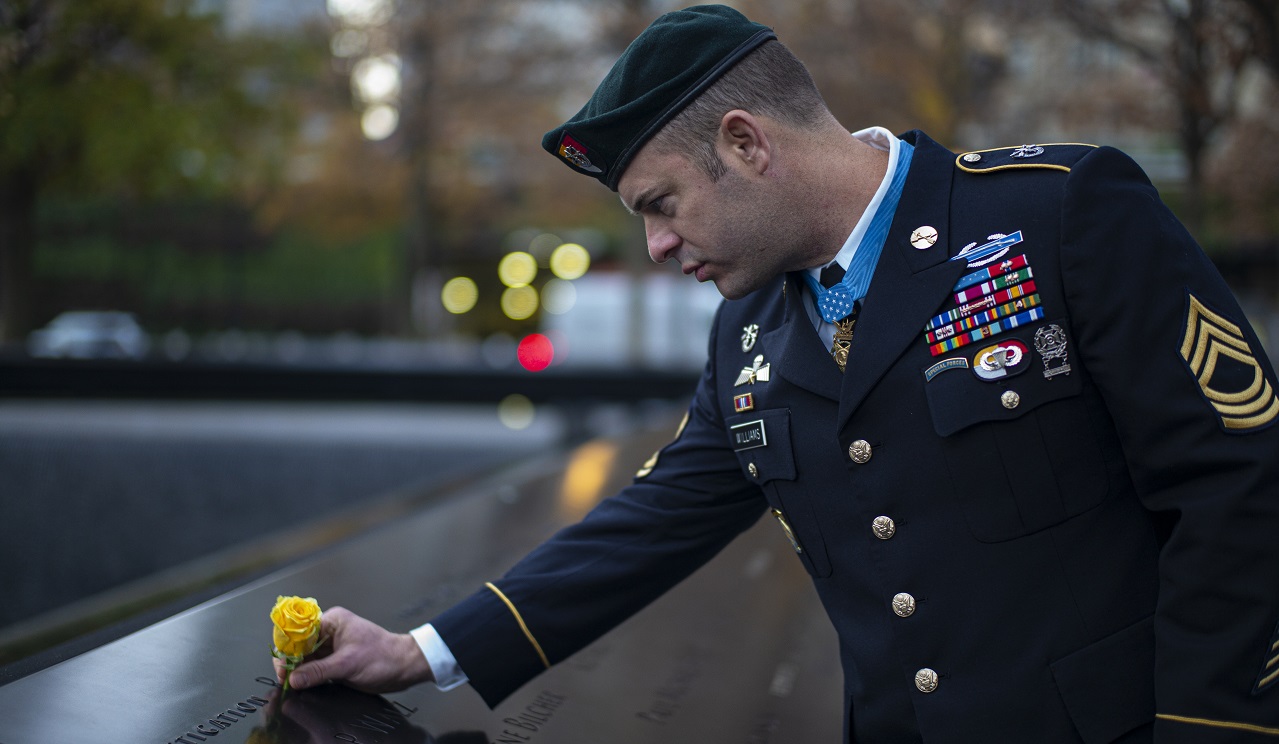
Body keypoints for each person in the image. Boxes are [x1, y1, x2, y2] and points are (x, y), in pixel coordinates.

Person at [276, 5, 1279, 741]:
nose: (660, 246)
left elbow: (1239, 489)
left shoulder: (1057, 217)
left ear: (746, 145)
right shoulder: (749, 329)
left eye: (661, 204)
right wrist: (422, 652)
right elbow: (658, 517)